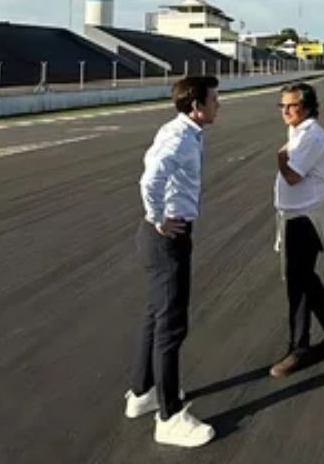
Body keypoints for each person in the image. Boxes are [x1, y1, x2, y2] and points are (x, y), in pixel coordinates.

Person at [124, 76, 219, 449]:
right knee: (171, 327)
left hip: (161, 235)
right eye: (214, 100)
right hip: (167, 236)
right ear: (197, 106)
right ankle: (169, 417)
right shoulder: (180, 138)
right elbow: (150, 178)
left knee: (155, 315)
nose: (218, 105)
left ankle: (143, 392)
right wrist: (158, 217)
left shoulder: (179, 130)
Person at [270, 82, 324, 377]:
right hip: (294, 215)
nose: (286, 111)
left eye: (292, 105)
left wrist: (281, 159)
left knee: (298, 283)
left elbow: (293, 176)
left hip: (306, 217)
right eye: (282, 105)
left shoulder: (312, 135)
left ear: (307, 107)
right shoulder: (298, 132)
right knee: (304, 279)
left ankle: (299, 347)